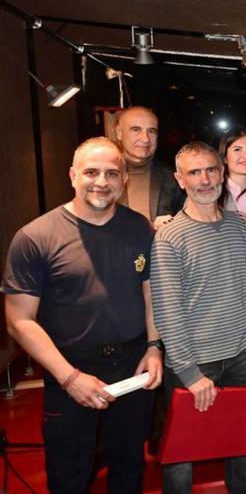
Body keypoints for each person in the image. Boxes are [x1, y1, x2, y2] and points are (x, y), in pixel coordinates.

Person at [3, 137, 162, 493]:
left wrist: (154, 348)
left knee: (129, 468)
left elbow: (151, 293)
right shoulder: (35, 237)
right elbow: (19, 320)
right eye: (91, 172)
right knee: (69, 476)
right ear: (73, 175)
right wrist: (70, 378)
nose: (101, 181)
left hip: (133, 367)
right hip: (69, 368)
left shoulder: (140, 228)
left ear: (124, 180)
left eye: (111, 173)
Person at [151, 141, 246, 493]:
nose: (205, 179)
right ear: (179, 179)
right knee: (181, 459)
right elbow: (166, 309)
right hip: (194, 366)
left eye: (211, 170)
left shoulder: (237, 225)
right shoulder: (169, 237)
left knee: (240, 446)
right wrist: (189, 372)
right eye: (194, 172)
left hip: (240, 358)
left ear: (222, 172)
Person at [114, 106, 185, 229]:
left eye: (151, 131)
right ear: (119, 133)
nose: (145, 139)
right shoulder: (103, 175)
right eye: (136, 130)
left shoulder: (173, 178)